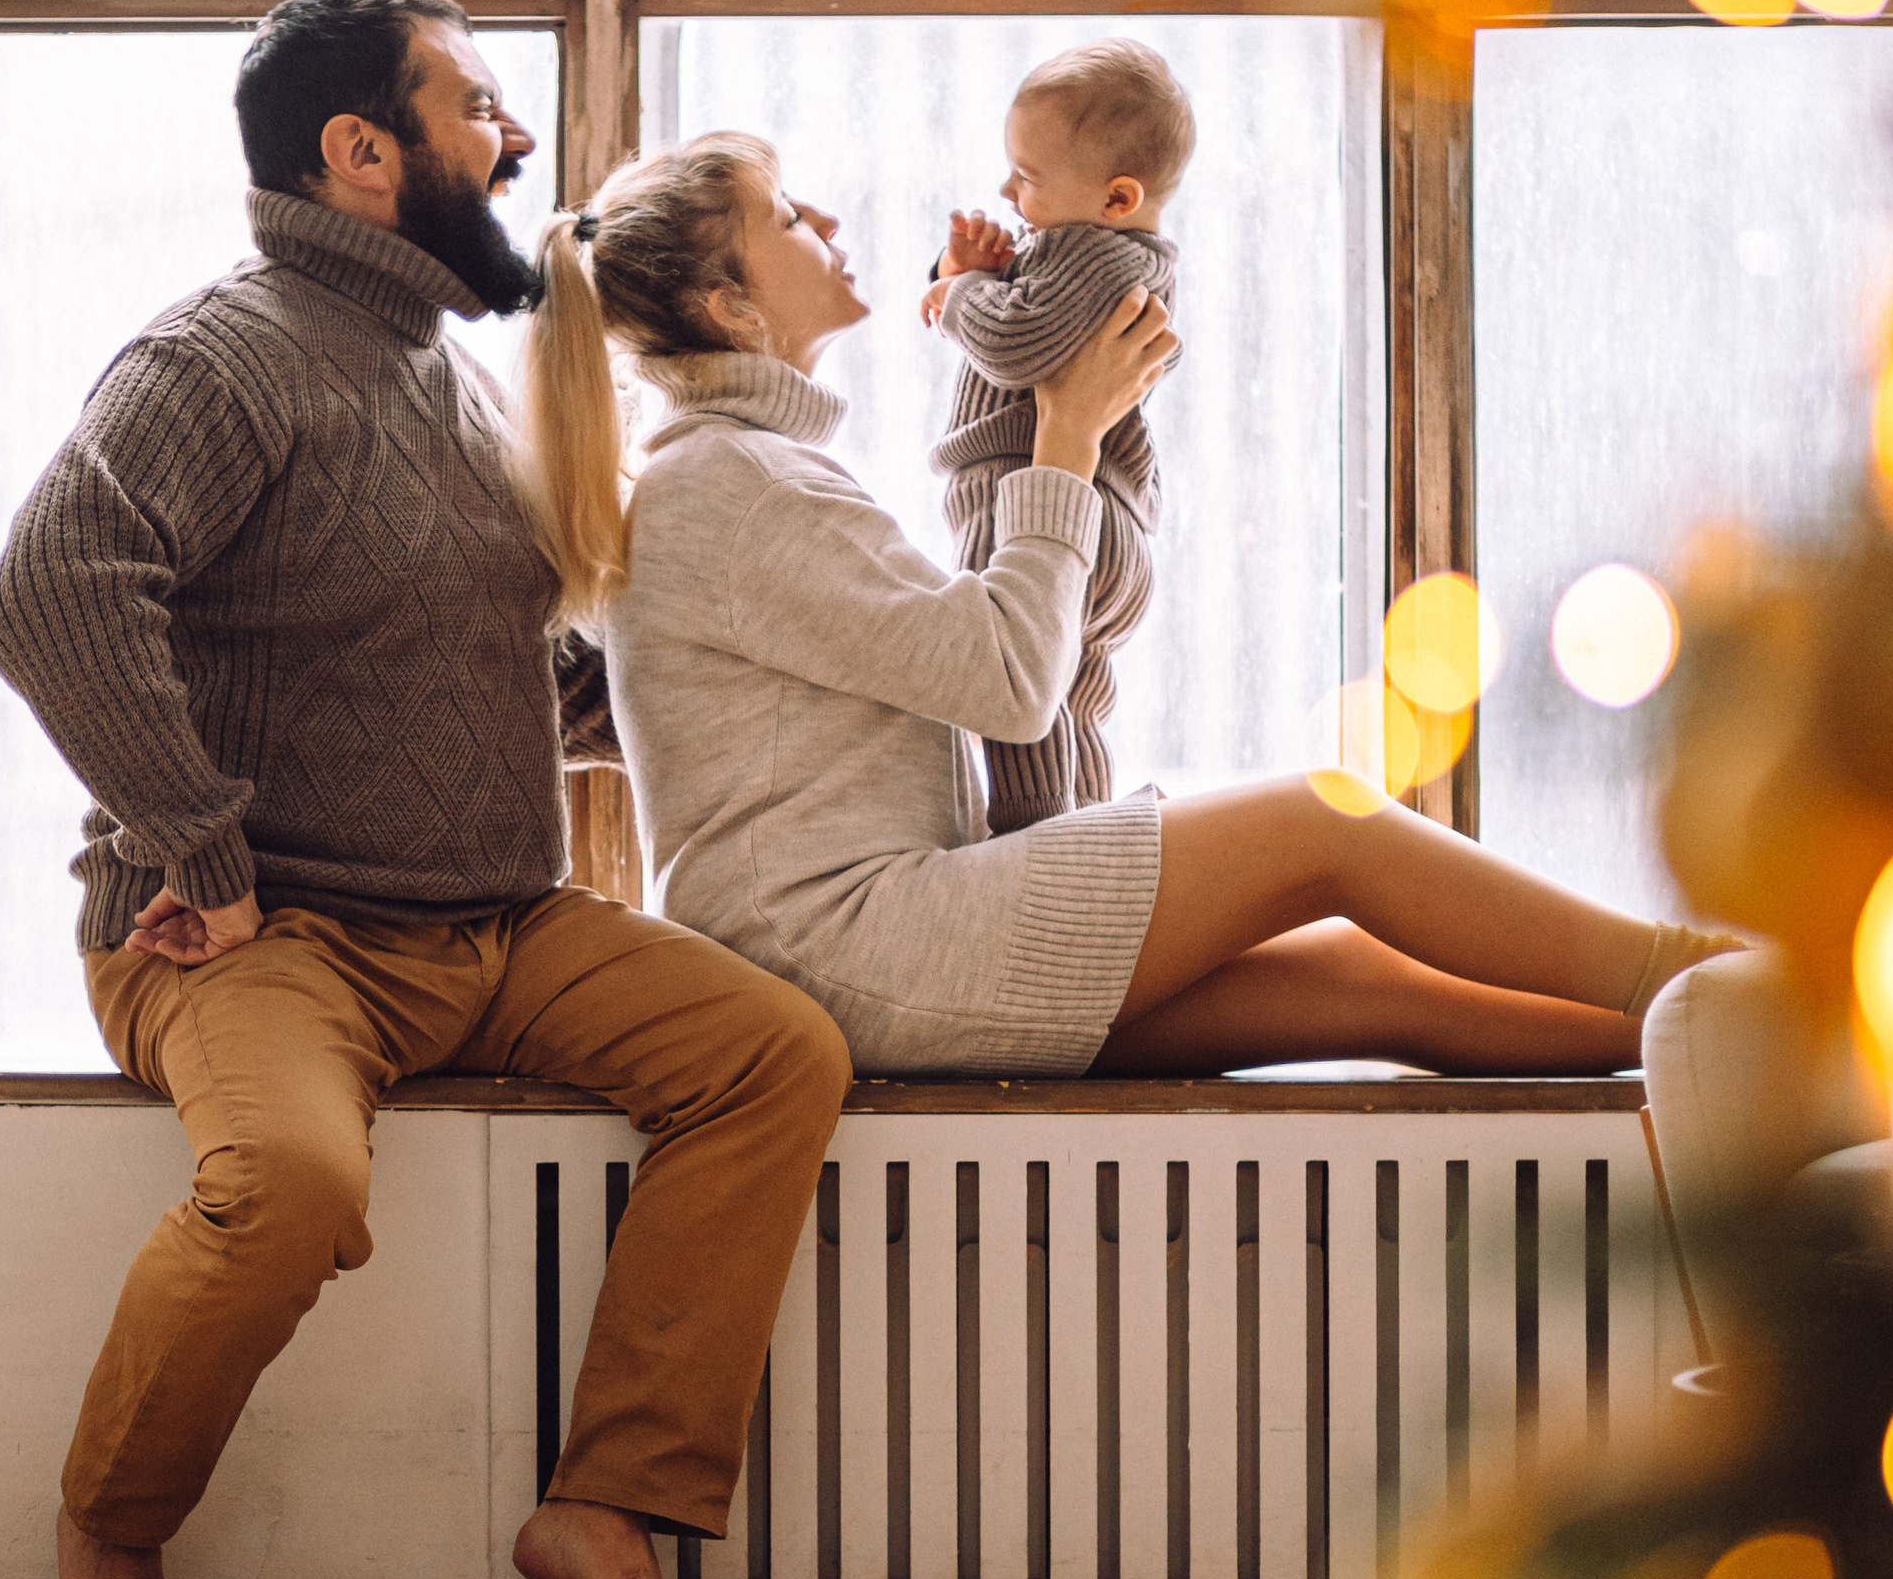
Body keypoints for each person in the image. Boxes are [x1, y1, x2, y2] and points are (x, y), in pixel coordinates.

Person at [0, 0, 851, 1579]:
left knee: (770, 1050)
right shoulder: (219, 356)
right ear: (360, 154)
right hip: (263, 934)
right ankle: (114, 1518)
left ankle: (608, 1500)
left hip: (495, 924)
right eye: (482, 109)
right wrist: (200, 848)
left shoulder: (443, 367)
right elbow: (51, 592)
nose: (515, 143)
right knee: (290, 1180)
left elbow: (476, 665)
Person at [519, 130, 1740, 1083]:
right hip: (861, 949)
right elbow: (1008, 681)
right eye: (784, 218)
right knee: (1327, 823)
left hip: (863, 949)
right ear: (731, 309)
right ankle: (1714, 977)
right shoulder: (726, 483)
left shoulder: (735, 473)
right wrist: (1066, 431)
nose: (825, 220)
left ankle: (1734, 1049)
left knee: (1376, 984)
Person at [922, 37, 1192, 835]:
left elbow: (1013, 342)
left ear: (1117, 197)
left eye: (1027, 177)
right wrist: (974, 269)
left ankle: (1032, 832)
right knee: (1073, 690)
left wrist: (961, 288)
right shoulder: (1114, 254)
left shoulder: (1095, 254)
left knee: (1010, 677)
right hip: (1107, 519)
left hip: (1033, 500)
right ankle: (1091, 828)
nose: (1008, 190)